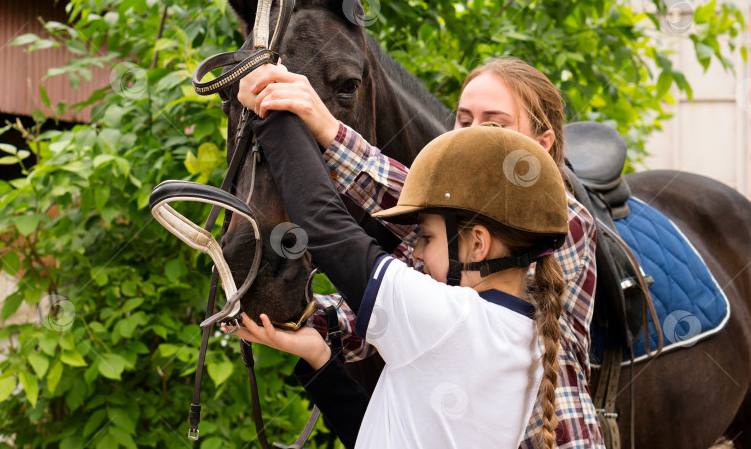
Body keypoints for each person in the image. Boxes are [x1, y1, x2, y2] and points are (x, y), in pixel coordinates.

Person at [240, 57, 604, 448]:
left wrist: (298, 119)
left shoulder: (561, 222)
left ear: (541, 146)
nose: (473, 137)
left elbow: (343, 233)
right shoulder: (467, 290)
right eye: (464, 121)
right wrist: (299, 327)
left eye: (495, 125)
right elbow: (370, 312)